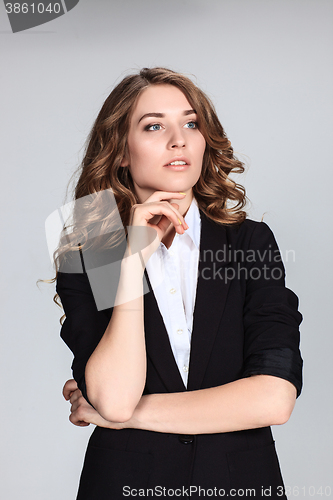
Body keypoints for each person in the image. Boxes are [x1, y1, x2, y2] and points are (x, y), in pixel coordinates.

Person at [55, 67, 303, 500]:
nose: (179, 140)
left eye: (191, 123)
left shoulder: (250, 242)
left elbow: (273, 399)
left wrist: (128, 416)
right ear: (121, 153)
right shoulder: (87, 253)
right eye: (154, 126)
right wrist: (131, 264)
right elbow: (113, 399)